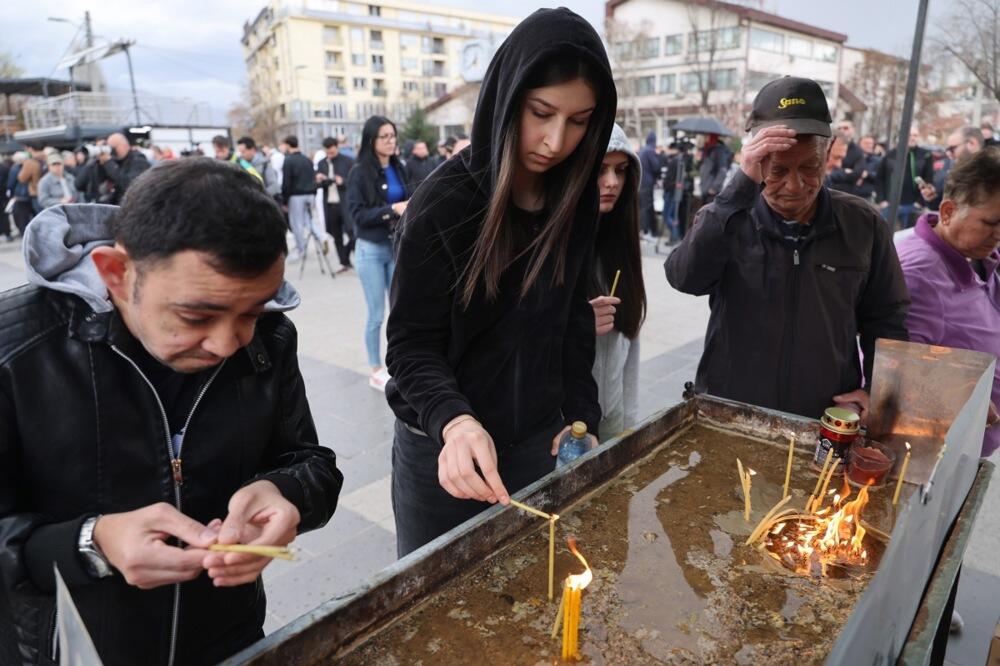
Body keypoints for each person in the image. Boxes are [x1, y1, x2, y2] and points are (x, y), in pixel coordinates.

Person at [0, 158, 343, 665]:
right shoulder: (17, 353)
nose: (227, 343)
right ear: (116, 274)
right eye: (195, 316)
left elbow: (311, 462)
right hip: (73, 648)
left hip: (231, 635)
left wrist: (285, 493)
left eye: (250, 311)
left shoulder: (268, 338)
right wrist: (89, 543)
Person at [385, 7, 616, 557]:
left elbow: (571, 323)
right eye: (542, 112)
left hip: (538, 441)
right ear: (507, 97)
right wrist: (455, 421)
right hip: (445, 449)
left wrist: (582, 413)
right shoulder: (444, 204)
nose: (556, 140)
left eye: (580, 121)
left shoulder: (574, 198)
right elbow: (411, 345)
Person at [665, 76, 910, 421]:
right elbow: (683, 277)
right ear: (755, 160)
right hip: (731, 412)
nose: (794, 186)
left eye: (810, 167)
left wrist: (879, 391)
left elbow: (887, 319)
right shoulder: (727, 216)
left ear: (829, 151)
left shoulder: (863, 223)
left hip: (825, 416)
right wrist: (736, 190)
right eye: (777, 170)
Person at [897, 149, 1000, 457]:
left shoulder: (980, 255)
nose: (998, 235)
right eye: (990, 222)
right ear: (947, 211)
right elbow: (895, 373)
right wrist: (964, 394)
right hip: (935, 454)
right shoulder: (918, 275)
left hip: (971, 446)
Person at [346, 116, 410, 391]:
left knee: (400, 310)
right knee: (375, 313)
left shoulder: (399, 166)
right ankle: (375, 368)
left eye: (393, 135)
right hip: (370, 250)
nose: (390, 141)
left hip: (396, 247)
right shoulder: (359, 172)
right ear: (371, 139)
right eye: (384, 136)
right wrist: (391, 210)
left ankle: (402, 362)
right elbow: (357, 215)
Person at [591, 125, 646, 442]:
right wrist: (579, 322)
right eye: (600, 169)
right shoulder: (553, 251)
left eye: (621, 171)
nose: (612, 182)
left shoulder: (621, 249)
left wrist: (627, 429)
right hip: (562, 432)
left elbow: (629, 346)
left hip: (611, 421)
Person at [875, 127, 935, 229]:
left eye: (915, 135)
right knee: (886, 236)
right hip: (890, 204)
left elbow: (929, 180)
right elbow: (880, 178)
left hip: (913, 205)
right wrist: (881, 200)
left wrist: (920, 203)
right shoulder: (891, 154)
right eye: (910, 135)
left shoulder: (925, 155)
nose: (913, 138)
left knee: (908, 238)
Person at [281, 135, 324, 262]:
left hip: (296, 195)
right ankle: (321, 237)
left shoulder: (288, 160)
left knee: (296, 224)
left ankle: (301, 249)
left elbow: (286, 182)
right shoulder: (306, 159)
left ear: (288, 145)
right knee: (308, 220)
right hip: (310, 193)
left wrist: (284, 199)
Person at [316, 136, 356, 271]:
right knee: (335, 234)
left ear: (337, 147)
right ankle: (344, 263)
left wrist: (342, 181)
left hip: (345, 202)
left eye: (332, 152)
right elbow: (316, 184)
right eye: (327, 152)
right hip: (330, 204)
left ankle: (347, 253)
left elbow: (355, 181)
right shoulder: (322, 163)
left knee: (353, 232)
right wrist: (320, 180)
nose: (330, 155)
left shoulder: (348, 161)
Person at [927, 126, 983, 211]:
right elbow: (941, 207)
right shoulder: (951, 167)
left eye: (952, 148)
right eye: (947, 149)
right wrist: (931, 198)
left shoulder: (993, 173)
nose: (949, 154)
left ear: (972, 143)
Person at [97, 133, 151, 205]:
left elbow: (129, 183)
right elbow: (99, 181)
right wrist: (100, 163)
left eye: (113, 148)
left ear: (123, 145)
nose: (111, 151)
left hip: (133, 206)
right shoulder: (116, 161)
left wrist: (109, 163)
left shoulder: (138, 160)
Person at [697, 133, 731, 206]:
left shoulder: (718, 151)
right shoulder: (708, 150)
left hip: (711, 193)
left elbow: (723, 170)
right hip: (705, 190)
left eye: (706, 136)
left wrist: (714, 188)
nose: (704, 138)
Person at [638, 132, 660, 240]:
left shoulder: (642, 150)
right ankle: (645, 231)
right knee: (647, 207)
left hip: (641, 182)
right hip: (647, 183)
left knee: (644, 207)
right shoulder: (650, 151)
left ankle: (648, 231)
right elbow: (656, 167)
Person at [852, 135, 880, 203]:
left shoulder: (877, 160)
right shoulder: (853, 157)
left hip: (866, 196)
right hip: (851, 193)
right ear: (859, 144)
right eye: (866, 143)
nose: (869, 145)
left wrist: (867, 174)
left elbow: (879, 176)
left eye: (871, 144)